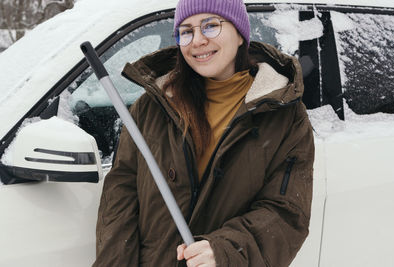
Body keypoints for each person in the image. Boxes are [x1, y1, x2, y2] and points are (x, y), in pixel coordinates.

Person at [93, 0, 314, 266]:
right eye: (186, 31)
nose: (197, 40)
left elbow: (286, 213)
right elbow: (121, 195)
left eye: (210, 26)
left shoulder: (284, 115)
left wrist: (226, 251)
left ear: (241, 34)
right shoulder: (153, 105)